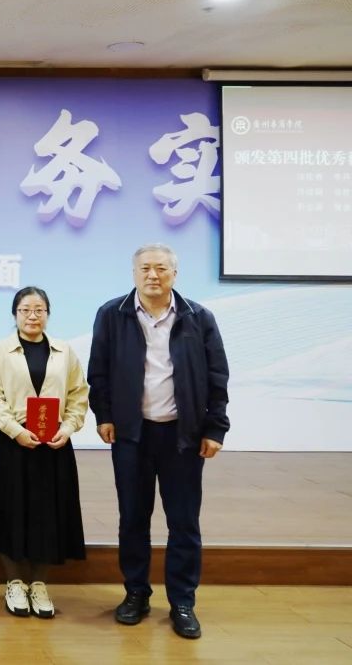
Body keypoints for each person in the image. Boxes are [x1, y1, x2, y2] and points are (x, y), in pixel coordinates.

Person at [88, 243, 229, 640]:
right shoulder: (112, 314)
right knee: (133, 518)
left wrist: (215, 428)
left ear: (174, 274)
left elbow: (217, 375)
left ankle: (182, 602)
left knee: (183, 521)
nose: (153, 275)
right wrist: (104, 416)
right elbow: (98, 371)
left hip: (183, 436)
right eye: (146, 268)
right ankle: (136, 593)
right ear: (134, 273)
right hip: (131, 435)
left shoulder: (198, 317)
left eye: (161, 269)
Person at [0, 286, 87, 619]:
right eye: (25, 310)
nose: (32, 316)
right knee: (9, 510)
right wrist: (16, 430)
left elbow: (78, 394)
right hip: (11, 443)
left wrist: (67, 428)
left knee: (47, 513)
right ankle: (14, 581)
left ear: (48, 314)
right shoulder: (0, 351)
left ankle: (39, 584)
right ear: (15, 314)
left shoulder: (64, 351)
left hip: (53, 445)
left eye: (39, 310)